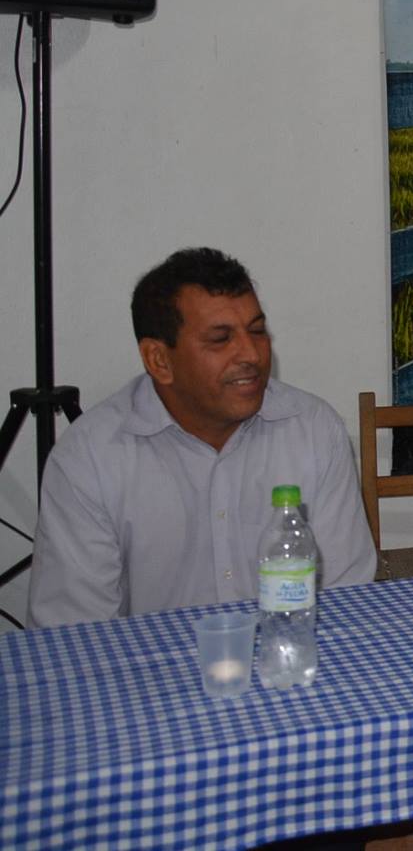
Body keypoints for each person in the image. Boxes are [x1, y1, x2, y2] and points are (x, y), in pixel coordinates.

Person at [30, 247, 375, 626]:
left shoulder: (313, 429)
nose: (251, 354)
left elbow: (348, 600)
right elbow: (71, 635)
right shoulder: (89, 459)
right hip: (152, 675)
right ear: (159, 360)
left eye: (257, 331)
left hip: (288, 662)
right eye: (220, 339)